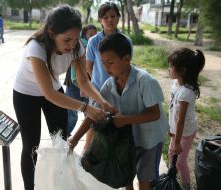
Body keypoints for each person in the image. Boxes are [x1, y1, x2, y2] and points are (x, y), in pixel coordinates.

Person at [13, 5, 115, 190]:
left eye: (76, 39)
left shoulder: (77, 47)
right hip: (26, 94)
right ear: (52, 33)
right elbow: (49, 94)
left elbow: (83, 81)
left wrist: (102, 101)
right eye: (67, 40)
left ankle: (61, 183)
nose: (72, 45)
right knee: (31, 145)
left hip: (52, 88)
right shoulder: (36, 48)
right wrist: (85, 108)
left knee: (61, 141)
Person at [69, 33, 169, 190]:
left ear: (127, 59)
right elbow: (94, 114)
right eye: (103, 63)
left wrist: (124, 120)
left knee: (144, 180)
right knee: (125, 177)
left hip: (149, 140)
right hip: (125, 141)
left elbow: (155, 114)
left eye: (110, 62)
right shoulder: (109, 85)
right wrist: (75, 139)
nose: (106, 67)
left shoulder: (145, 81)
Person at [83, 2, 132, 153]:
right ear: (100, 20)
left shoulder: (126, 41)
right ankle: (87, 152)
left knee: (115, 122)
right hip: (98, 90)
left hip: (119, 89)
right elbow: (89, 66)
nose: (109, 20)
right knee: (93, 122)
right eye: (105, 17)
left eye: (113, 16)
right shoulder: (93, 41)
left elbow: (127, 65)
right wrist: (96, 86)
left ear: (118, 18)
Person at [167, 48, 205, 190]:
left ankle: (186, 185)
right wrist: (170, 128)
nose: (168, 69)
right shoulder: (176, 84)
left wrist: (177, 142)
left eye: (171, 66)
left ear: (182, 70)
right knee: (171, 154)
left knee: (181, 162)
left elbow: (181, 120)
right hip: (176, 130)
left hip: (185, 132)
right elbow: (172, 110)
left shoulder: (186, 92)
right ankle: (172, 178)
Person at [64, 24, 97, 136]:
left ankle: (88, 136)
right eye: (90, 34)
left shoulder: (95, 45)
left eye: (94, 34)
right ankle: (65, 135)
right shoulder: (81, 45)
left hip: (87, 82)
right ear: (84, 34)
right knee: (72, 110)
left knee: (88, 112)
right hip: (75, 83)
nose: (92, 36)